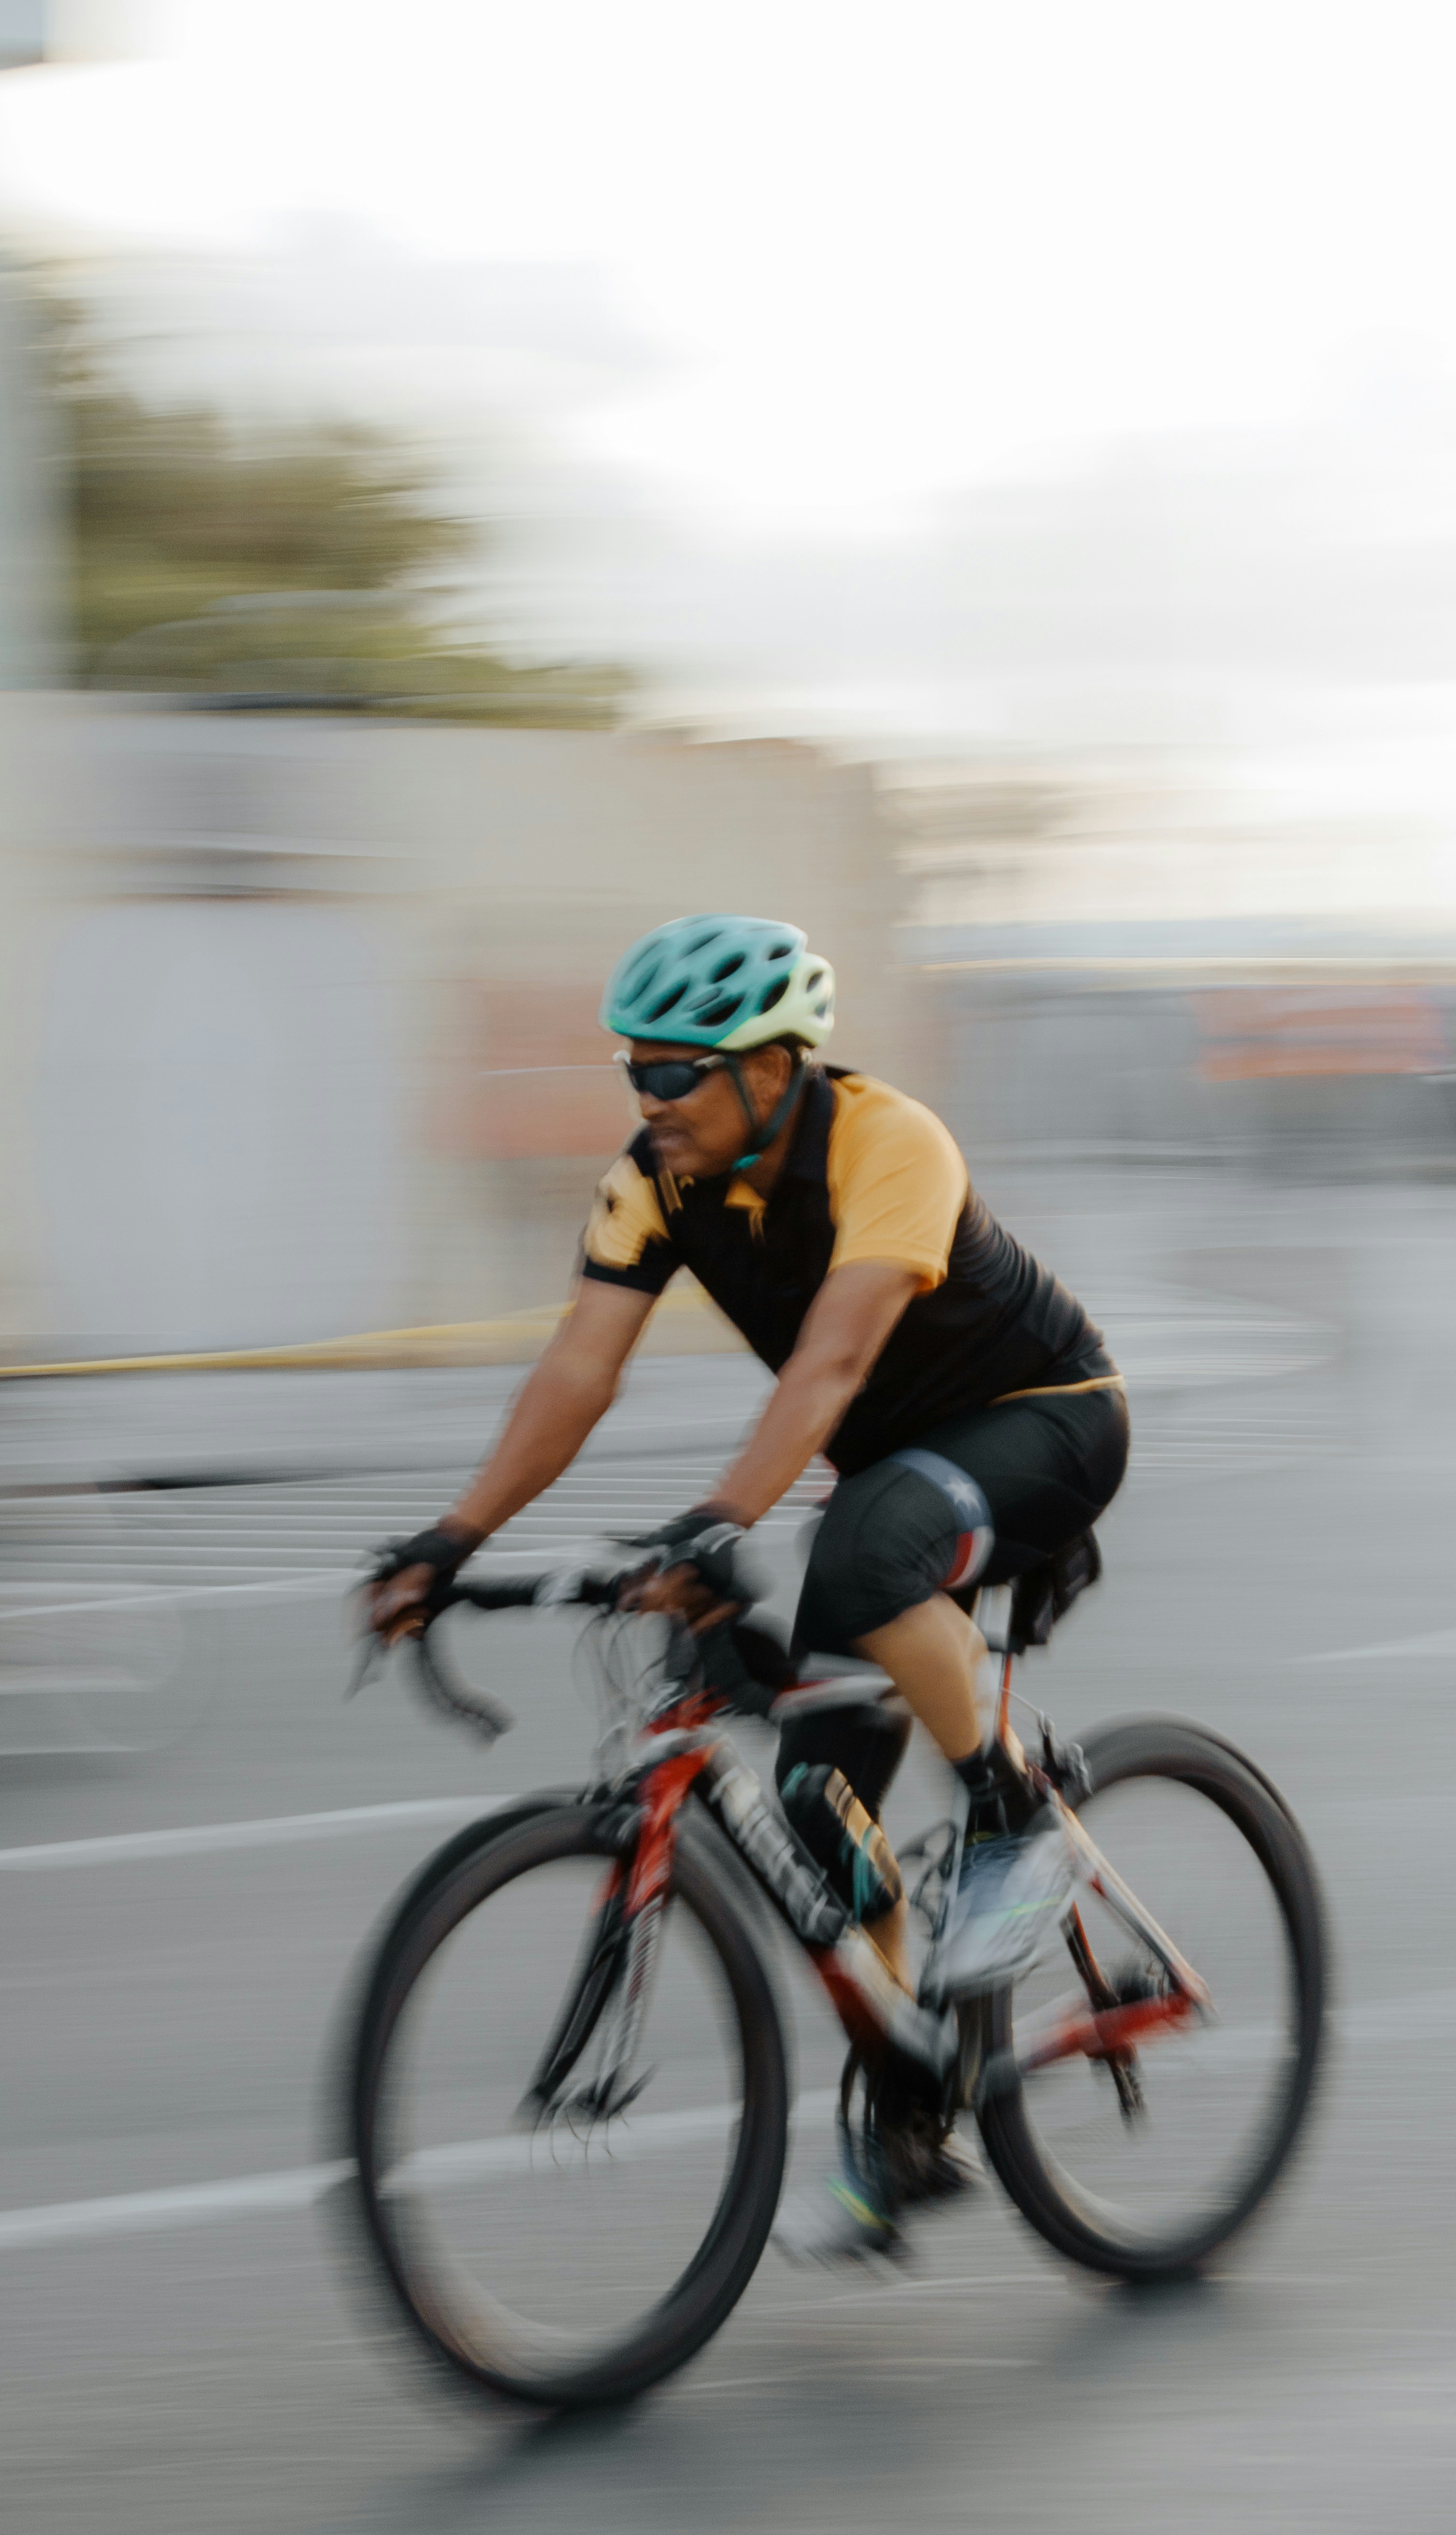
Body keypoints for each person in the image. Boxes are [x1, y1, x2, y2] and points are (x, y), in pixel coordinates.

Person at [367, 914, 1128, 2261]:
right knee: (814, 1807)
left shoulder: (891, 1143)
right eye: (634, 1074)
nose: (649, 1102)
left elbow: (830, 1367)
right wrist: (452, 1537)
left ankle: (1018, 1818)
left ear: (772, 1071)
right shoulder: (654, 1181)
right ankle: (909, 2096)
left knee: (858, 1548)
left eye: (677, 1074)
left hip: (1043, 1424)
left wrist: (721, 1520)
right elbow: (578, 1371)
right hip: (892, 1481)